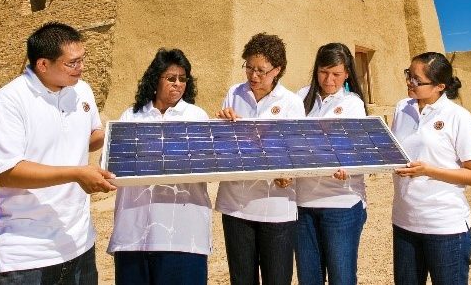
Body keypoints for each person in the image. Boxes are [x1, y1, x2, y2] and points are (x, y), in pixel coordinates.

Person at [0, 22, 116, 285]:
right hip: (26, 256)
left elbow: (88, 138)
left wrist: (124, 134)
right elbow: (7, 173)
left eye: (82, 60)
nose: (81, 68)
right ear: (43, 64)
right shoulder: (8, 102)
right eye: (72, 63)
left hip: (79, 245)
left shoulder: (81, 90)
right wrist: (76, 174)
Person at [108, 48, 212, 285]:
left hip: (183, 237)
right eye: (171, 78)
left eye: (183, 79)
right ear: (155, 79)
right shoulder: (130, 117)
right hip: (134, 236)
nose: (178, 84)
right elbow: (115, 164)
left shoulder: (196, 117)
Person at [215, 32, 306, 285]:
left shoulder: (291, 103)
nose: (253, 76)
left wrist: (289, 174)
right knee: (241, 279)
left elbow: (297, 151)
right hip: (236, 206)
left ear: (277, 70)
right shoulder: (234, 93)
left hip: (275, 207)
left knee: (277, 279)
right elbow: (222, 146)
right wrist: (222, 123)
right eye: (249, 68)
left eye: (261, 71)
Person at [390, 52, 471, 285]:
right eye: (408, 75)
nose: (409, 83)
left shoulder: (458, 117)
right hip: (404, 223)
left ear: (439, 86)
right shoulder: (402, 108)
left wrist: (428, 170)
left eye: (416, 80)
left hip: (445, 227)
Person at [295, 43, 368, 285]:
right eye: (324, 72)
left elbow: (357, 149)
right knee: (309, 279)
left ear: (347, 73)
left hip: (342, 203)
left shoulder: (353, 103)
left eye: (336, 74)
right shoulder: (300, 98)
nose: (329, 80)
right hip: (302, 203)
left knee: (342, 278)